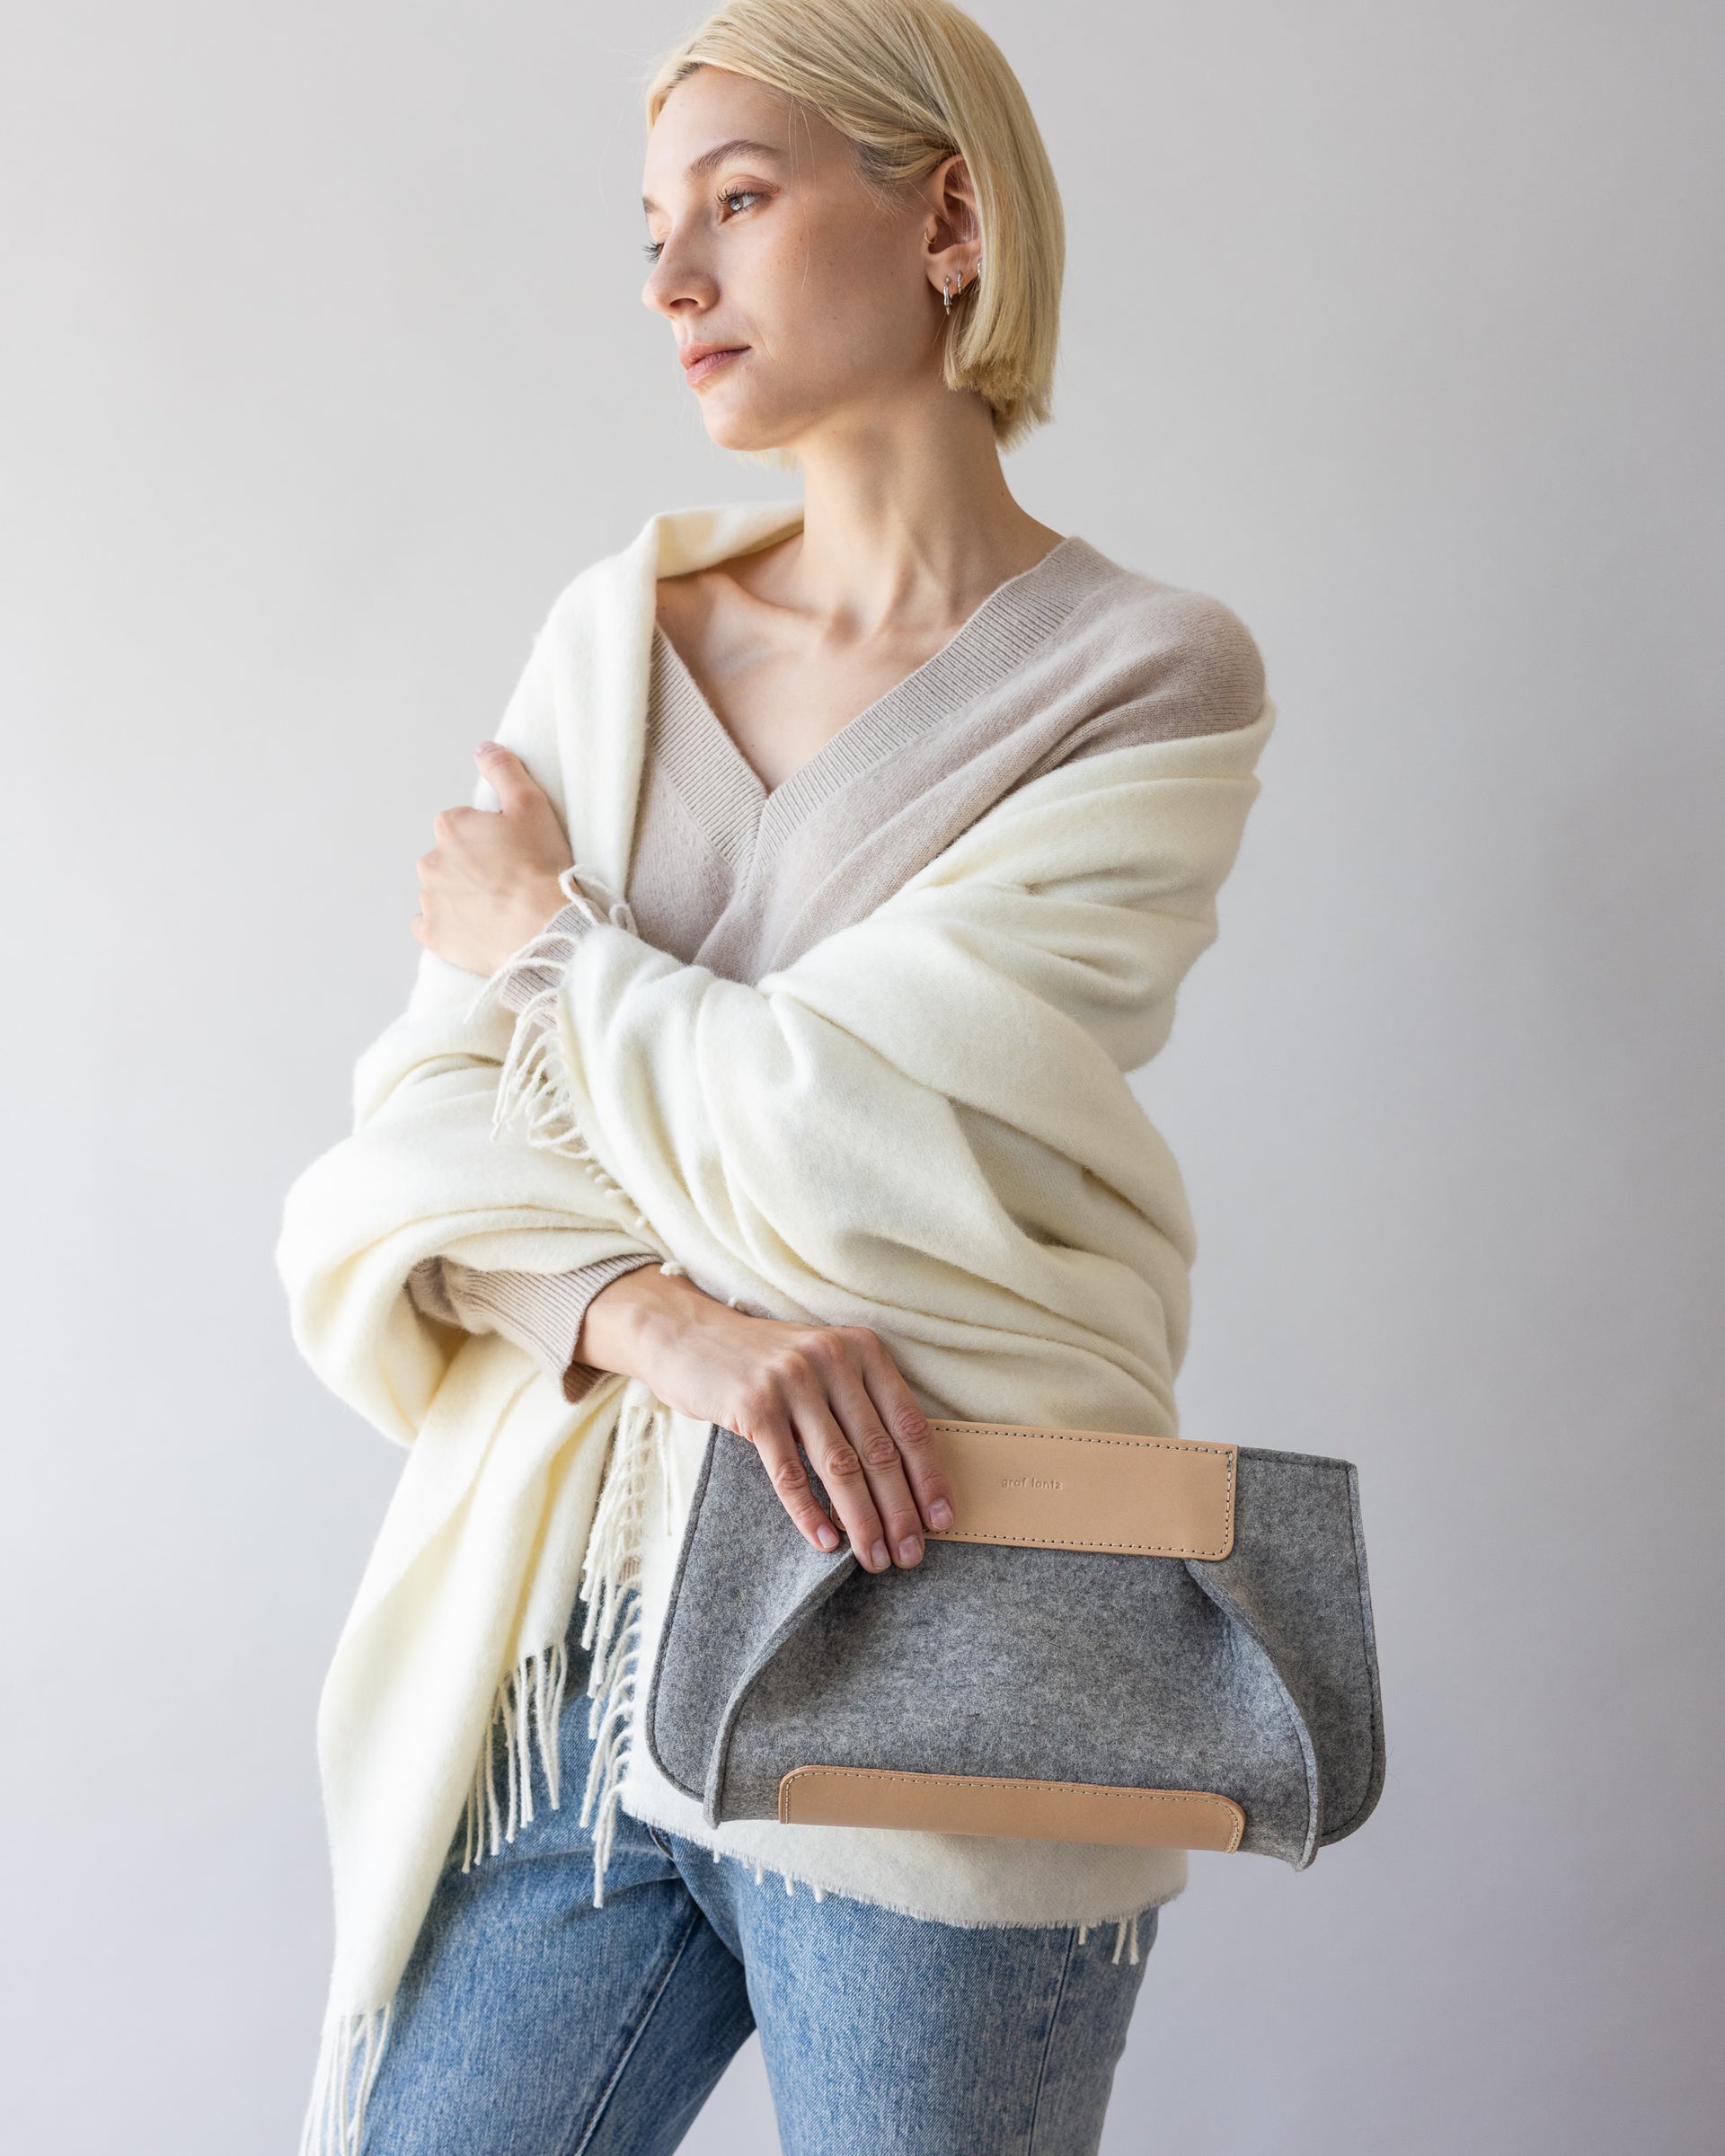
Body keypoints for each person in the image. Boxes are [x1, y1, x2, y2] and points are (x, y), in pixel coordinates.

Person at [279, 3, 1273, 2151]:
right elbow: (423, 1140)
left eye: (738, 201)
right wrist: (677, 1326)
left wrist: (553, 950)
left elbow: (873, 1146)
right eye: (655, 228)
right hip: (572, 1654)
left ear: (948, 216)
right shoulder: (615, 638)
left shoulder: (1147, 676)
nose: (672, 284)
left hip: (948, 1629)